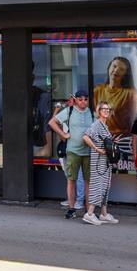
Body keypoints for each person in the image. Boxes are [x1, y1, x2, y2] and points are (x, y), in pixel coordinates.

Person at [49, 89, 94, 220]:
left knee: (88, 182)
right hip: (73, 151)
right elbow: (52, 122)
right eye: (80, 99)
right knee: (71, 180)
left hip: (88, 152)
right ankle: (71, 209)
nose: (83, 102)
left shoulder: (91, 113)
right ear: (76, 100)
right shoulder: (69, 111)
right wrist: (63, 134)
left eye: (85, 99)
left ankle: (88, 211)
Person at [83, 101, 119, 225]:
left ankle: (104, 214)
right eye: (104, 109)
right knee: (97, 186)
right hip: (98, 161)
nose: (106, 111)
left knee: (105, 186)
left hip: (105, 162)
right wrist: (96, 148)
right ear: (99, 111)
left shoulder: (104, 125)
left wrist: (112, 142)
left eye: (108, 109)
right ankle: (89, 214)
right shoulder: (97, 124)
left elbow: (103, 141)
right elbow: (85, 137)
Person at [94, 56, 137, 136]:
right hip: (100, 137)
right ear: (109, 68)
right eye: (114, 66)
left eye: (121, 69)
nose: (116, 70)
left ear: (125, 74)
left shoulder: (131, 94)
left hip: (122, 138)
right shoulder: (97, 91)